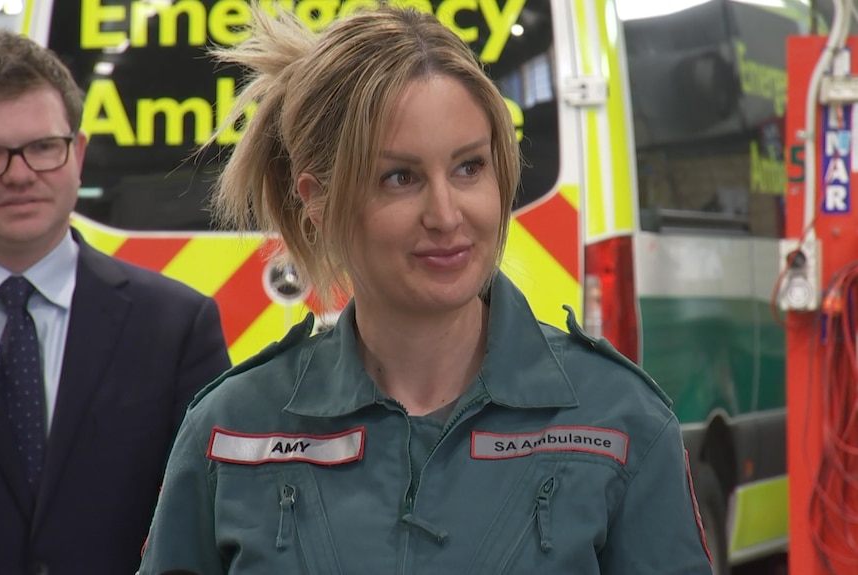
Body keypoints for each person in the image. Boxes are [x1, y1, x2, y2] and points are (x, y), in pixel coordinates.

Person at [139, 5, 713, 574]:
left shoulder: (620, 421)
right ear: (316, 200)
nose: (446, 214)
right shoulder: (231, 431)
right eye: (400, 177)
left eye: (469, 168)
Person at [0, 29, 232, 575]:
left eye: (43, 148)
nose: (20, 174)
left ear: (77, 151)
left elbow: (214, 521)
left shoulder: (176, 327)